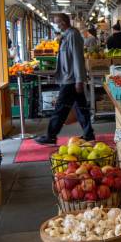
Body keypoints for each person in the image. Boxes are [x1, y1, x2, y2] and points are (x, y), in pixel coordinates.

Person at [35, 13, 95, 144]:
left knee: (61, 108)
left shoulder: (73, 35)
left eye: (58, 23)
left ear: (63, 22)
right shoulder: (66, 36)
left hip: (71, 79)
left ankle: (51, 136)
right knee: (81, 108)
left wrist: (79, 80)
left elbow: (77, 58)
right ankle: (89, 134)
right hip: (69, 78)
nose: (57, 25)